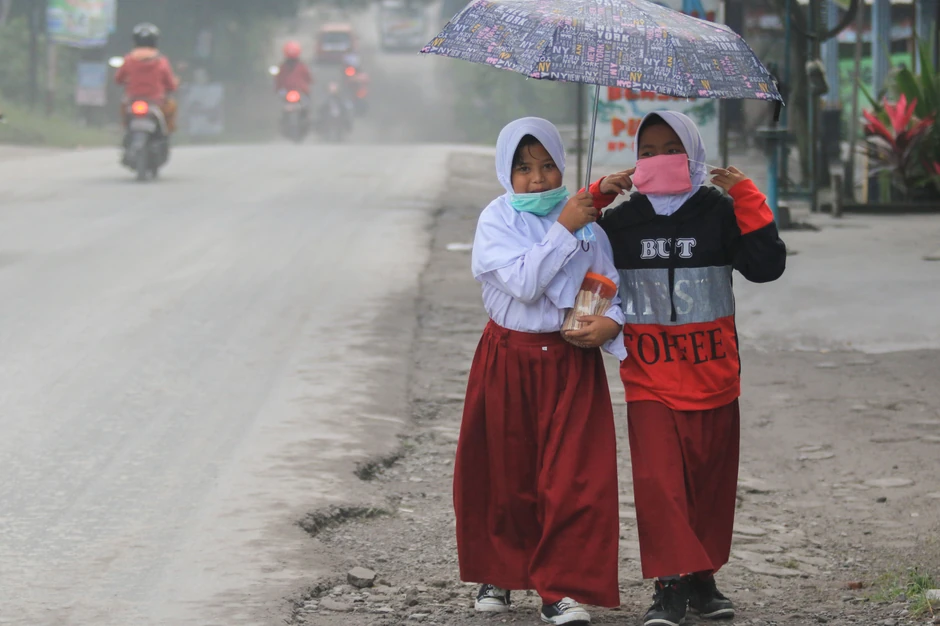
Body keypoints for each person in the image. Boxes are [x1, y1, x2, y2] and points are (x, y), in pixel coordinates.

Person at [585, 111, 787, 626]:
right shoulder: (624, 221)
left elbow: (766, 267)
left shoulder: (718, 211)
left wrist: (748, 197)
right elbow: (577, 256)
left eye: (670, 148)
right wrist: (599, 195)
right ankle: (669, 586)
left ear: (694, 152)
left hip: (713, 373)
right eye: (646, 151)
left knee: (708, 484)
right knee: (660, 481)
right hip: (649, 375)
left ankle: (701, 578)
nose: (657, 159)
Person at [455, 117, 627, 625]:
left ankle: (562, 587)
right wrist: (563, 228)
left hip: (572, 363)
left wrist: (610, 326)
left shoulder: (589, 222)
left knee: (574, 477)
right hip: (509, 358)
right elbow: (525, 285)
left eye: (548, 165)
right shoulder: (498, 219)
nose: (538, 178)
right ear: (506, 172)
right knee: (505, 472)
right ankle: (502, 572)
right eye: (524, 168)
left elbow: (613, 286)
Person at [115, 23, 180, 133]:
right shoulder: (161, 61)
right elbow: (171, 85)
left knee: (123, 107)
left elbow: (118, 79)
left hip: (132, 100)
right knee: (172, 107)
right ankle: (166, 133)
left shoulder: (129, 60)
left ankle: (124, 127)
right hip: (156, 102)